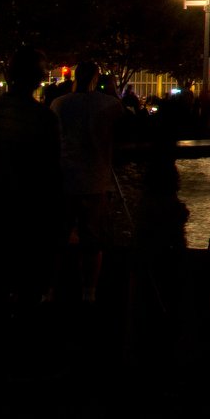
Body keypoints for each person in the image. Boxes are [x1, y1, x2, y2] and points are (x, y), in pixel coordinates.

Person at [0, 47, 62, 308]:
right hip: (28, 206)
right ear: (36, 78)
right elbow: (51, 168)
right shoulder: (42, 117)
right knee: (29, 283)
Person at [51, 58, 128, 303]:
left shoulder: (59, 104)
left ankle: (51, 289)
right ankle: (89, 291)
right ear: (97, 78)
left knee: (59, 237)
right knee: (92, 239)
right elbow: (126, 131)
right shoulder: (109, 104)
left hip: (65, 178)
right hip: (96, 178)